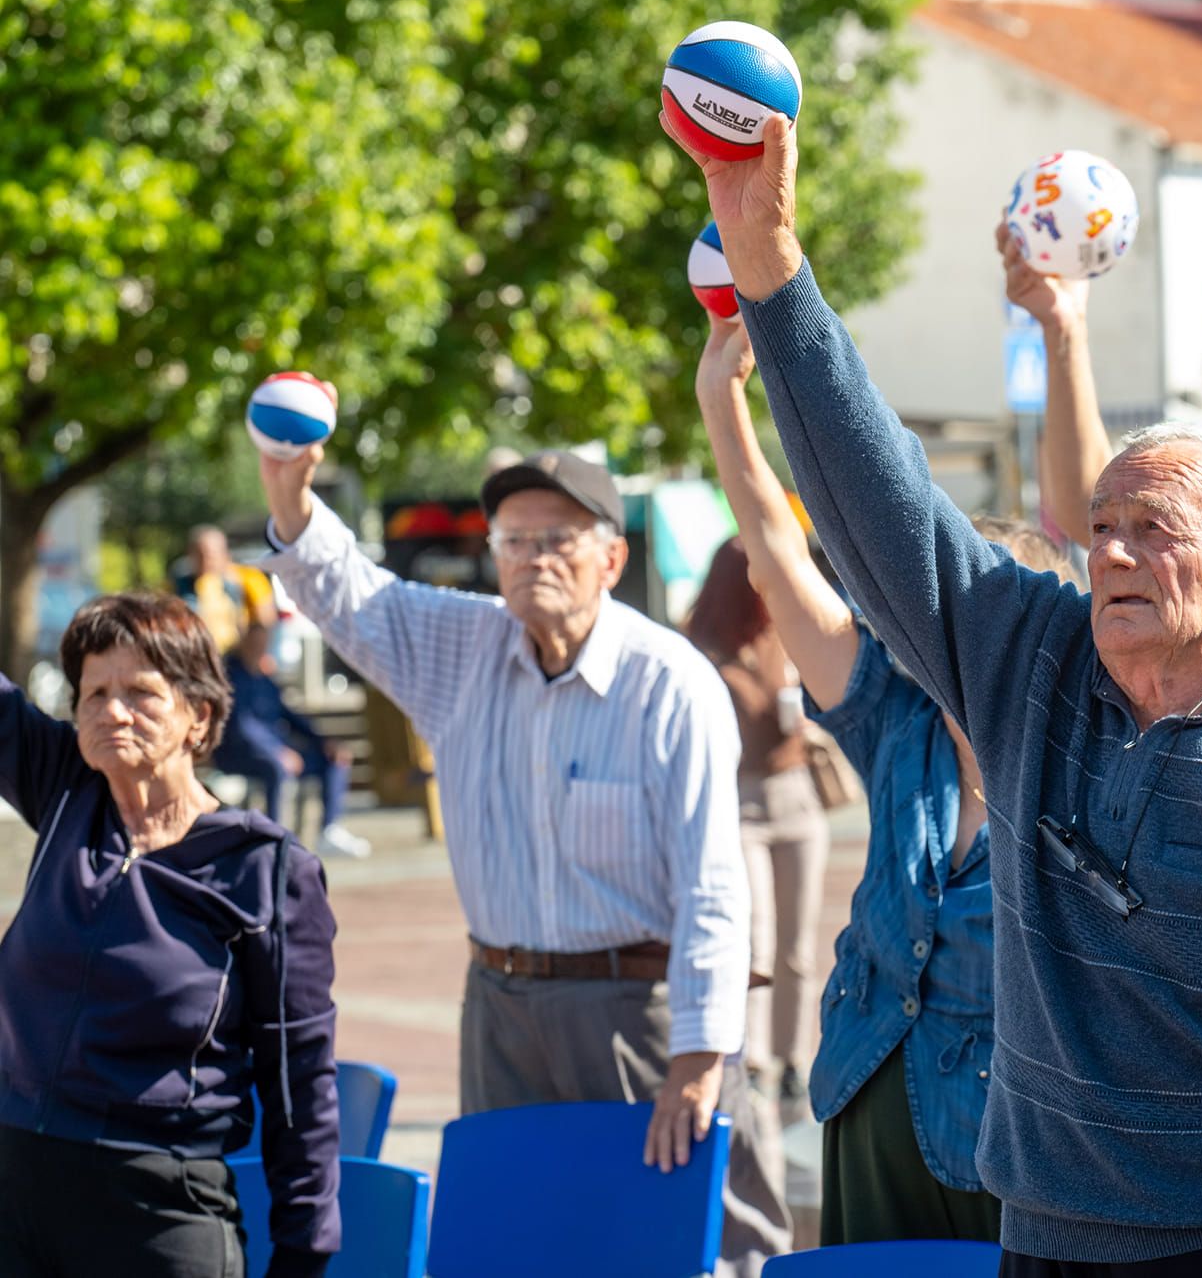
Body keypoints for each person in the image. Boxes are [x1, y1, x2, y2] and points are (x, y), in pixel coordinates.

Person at [667, 108, 1202, 1277]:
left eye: (1155, 529)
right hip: (1043, 1242)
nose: (1115, 552)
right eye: (1102, 527)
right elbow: (878, 496)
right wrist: (770, 258)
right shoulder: (1030, 667)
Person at [255, 446, 790, 1275]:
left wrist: (699, 1055)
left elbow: (712, 887)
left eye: (558, 540)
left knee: (694, 1239)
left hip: (639, 1009)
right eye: (514, 540)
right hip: (501, 1009)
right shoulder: (464, 648)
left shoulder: (669, 682)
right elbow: (349, 594)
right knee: (522, 1239)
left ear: (611, 558)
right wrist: (289, 493)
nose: (533, 559)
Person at [692, 225, 1107, 1246]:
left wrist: (1065, 335)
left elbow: (1092, 514)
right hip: (870, 1091)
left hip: (1016, 1127)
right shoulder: (894, 713)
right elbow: (776, 553)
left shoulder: (1089, 749)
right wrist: (722, 396)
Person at [0, 592, 340, 1278]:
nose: (112, 711)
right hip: (15, 1192)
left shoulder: (264, 870)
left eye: (141, 693)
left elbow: (299, 1079)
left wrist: (304, 1250)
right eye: (94, 693)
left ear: (199, 715)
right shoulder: (68, 791)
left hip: (157, 1209)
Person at [686, 537, 832, 1108]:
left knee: (797, 946)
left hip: (797, 797)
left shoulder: (783, 635)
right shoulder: (700, 650)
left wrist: (811, 722)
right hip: (738, 801)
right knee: (756, 942)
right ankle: (751, 1058)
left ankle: (793, 1058)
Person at [215, 620, 373, 860]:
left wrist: (323, 742)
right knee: (278, 768)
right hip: (240, 754)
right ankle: (274, 838)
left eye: (262, 644)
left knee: (333, 760)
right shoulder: (232, 678)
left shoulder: (264, 679)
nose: (259, 648)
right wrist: (277, 751)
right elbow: (242, 726)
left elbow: (289, 715)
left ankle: (329, 830)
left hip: (276, 750)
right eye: (254, 643)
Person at [182, 524, 278, 653]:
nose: (206, 561)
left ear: (225, 553)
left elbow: (266, 621)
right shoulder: (181, 583)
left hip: (239, 654)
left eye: (211, 555)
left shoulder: (249, 578)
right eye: (200, 555)